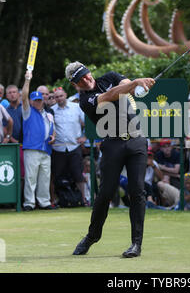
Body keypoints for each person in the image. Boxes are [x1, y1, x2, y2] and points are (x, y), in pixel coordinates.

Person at [66, 61, 155, 258]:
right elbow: (110, 95)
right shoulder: (84, 100)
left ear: (90, 71)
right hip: (112, 144)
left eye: (86, 75)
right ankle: (92, 236)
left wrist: (138, 85)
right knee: (105, 194)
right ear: (75, 85)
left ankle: (136, 244)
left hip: (136, 140)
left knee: (137, 191)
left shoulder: (110, 76)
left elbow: (128, 85)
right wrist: (135, 83)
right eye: (80, 80)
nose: (85, 80)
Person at [21, 71, 56, 211]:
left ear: (42, 101)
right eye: (34, 100)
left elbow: (52, 129)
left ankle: (44, 202)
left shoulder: (48, 114)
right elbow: (23, 96)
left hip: (46, 149)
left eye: (39, 100)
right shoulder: (27, 111)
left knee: (45, 177)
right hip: (32, 149)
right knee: (31, 178)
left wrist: (54, 136)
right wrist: (27, 79)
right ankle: (29, 203)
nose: (37, 102)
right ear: (30, 101)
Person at [51, 88, 88, 205]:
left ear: (65, 95)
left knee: (78, 174)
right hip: (58, 148)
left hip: (74, 146)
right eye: (57, 97)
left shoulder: (76, 108)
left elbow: (87, 122)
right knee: (57, 175)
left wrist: (85, 137)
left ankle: (83, 199)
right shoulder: (51, 111)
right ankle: (58, 199)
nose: (59, 99)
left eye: (61, 96)